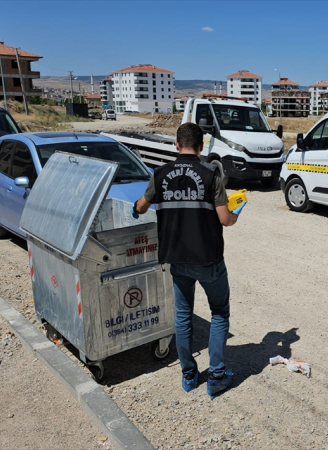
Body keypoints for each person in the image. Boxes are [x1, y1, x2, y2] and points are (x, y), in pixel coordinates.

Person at [133, 122, 239, 398]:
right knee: (219, 313)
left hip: (177, 259)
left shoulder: (160, 174)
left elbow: (142, 206)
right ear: (202, 147)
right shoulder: (210, 175)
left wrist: (136, 208)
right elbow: (225, 219)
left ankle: (189, 375)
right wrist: (236, 214)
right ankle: (216, 376)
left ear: (176, 146)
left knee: (182, 316)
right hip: (209, 259)